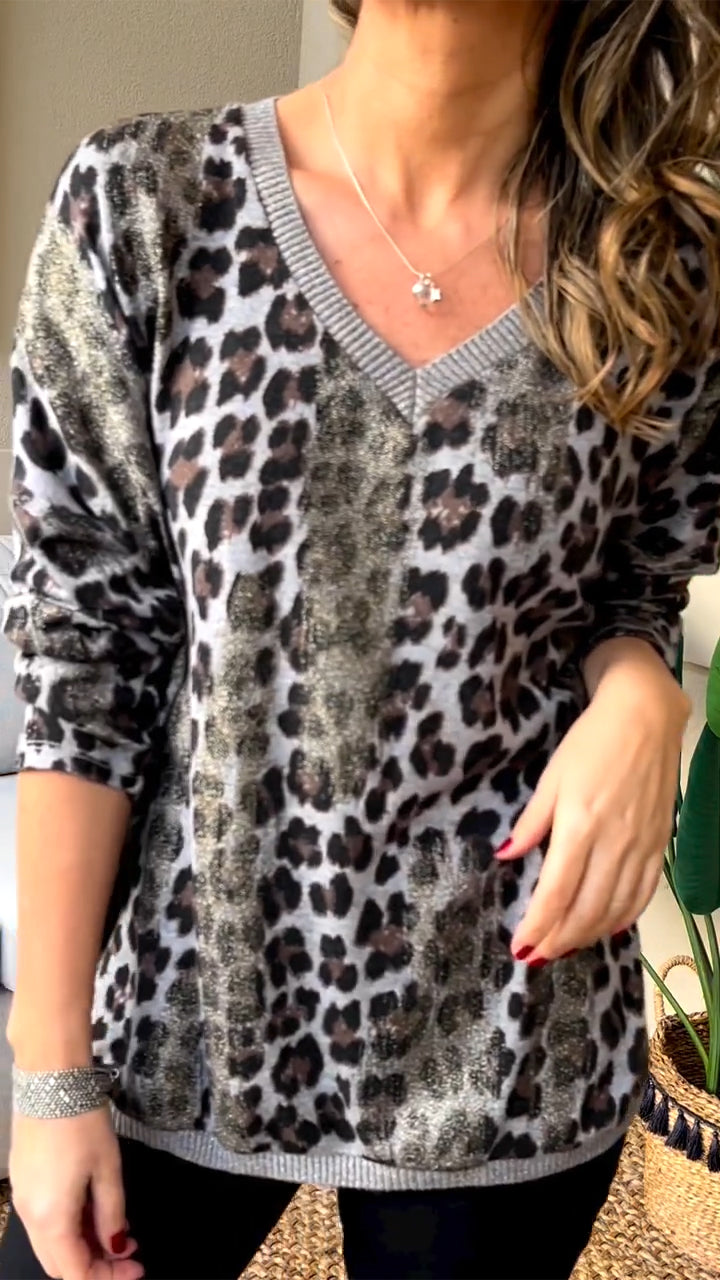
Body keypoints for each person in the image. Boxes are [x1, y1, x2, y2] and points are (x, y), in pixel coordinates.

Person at [1, 0, 719, 1277]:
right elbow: (82, 653)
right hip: (183, 1015)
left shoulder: (664, 266)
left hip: (509, 1045)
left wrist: (645, 692)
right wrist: (49, 1071)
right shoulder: (147, 201)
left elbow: (634, 586)